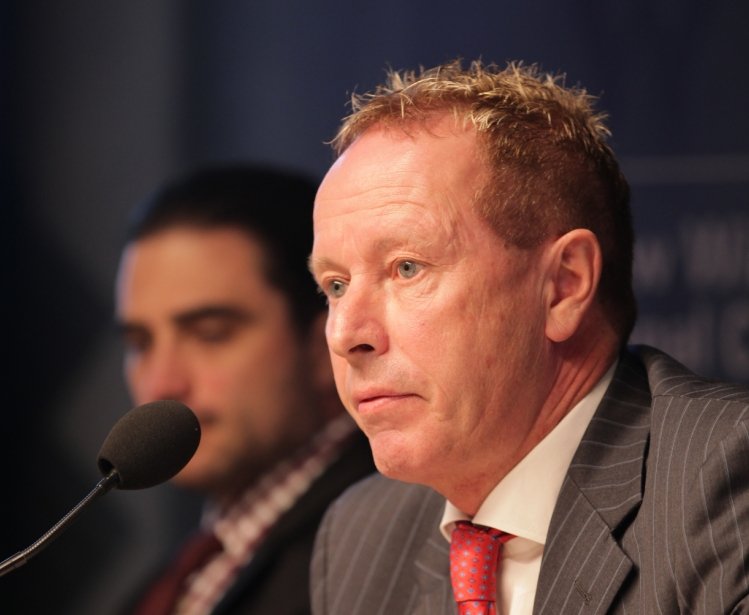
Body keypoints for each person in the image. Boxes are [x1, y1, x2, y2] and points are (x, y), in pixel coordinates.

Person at [308, 60, 749, 614]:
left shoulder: (727, 484)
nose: (347, 334)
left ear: (564, 286)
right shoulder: (361, 537)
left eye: (407, 268)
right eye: (336, 285)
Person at [114, 164, 375, 615]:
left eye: (211, 334)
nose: (162, 383)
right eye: (141, 344)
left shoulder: (385, 542)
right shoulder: (185, 572)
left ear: (324, 342)